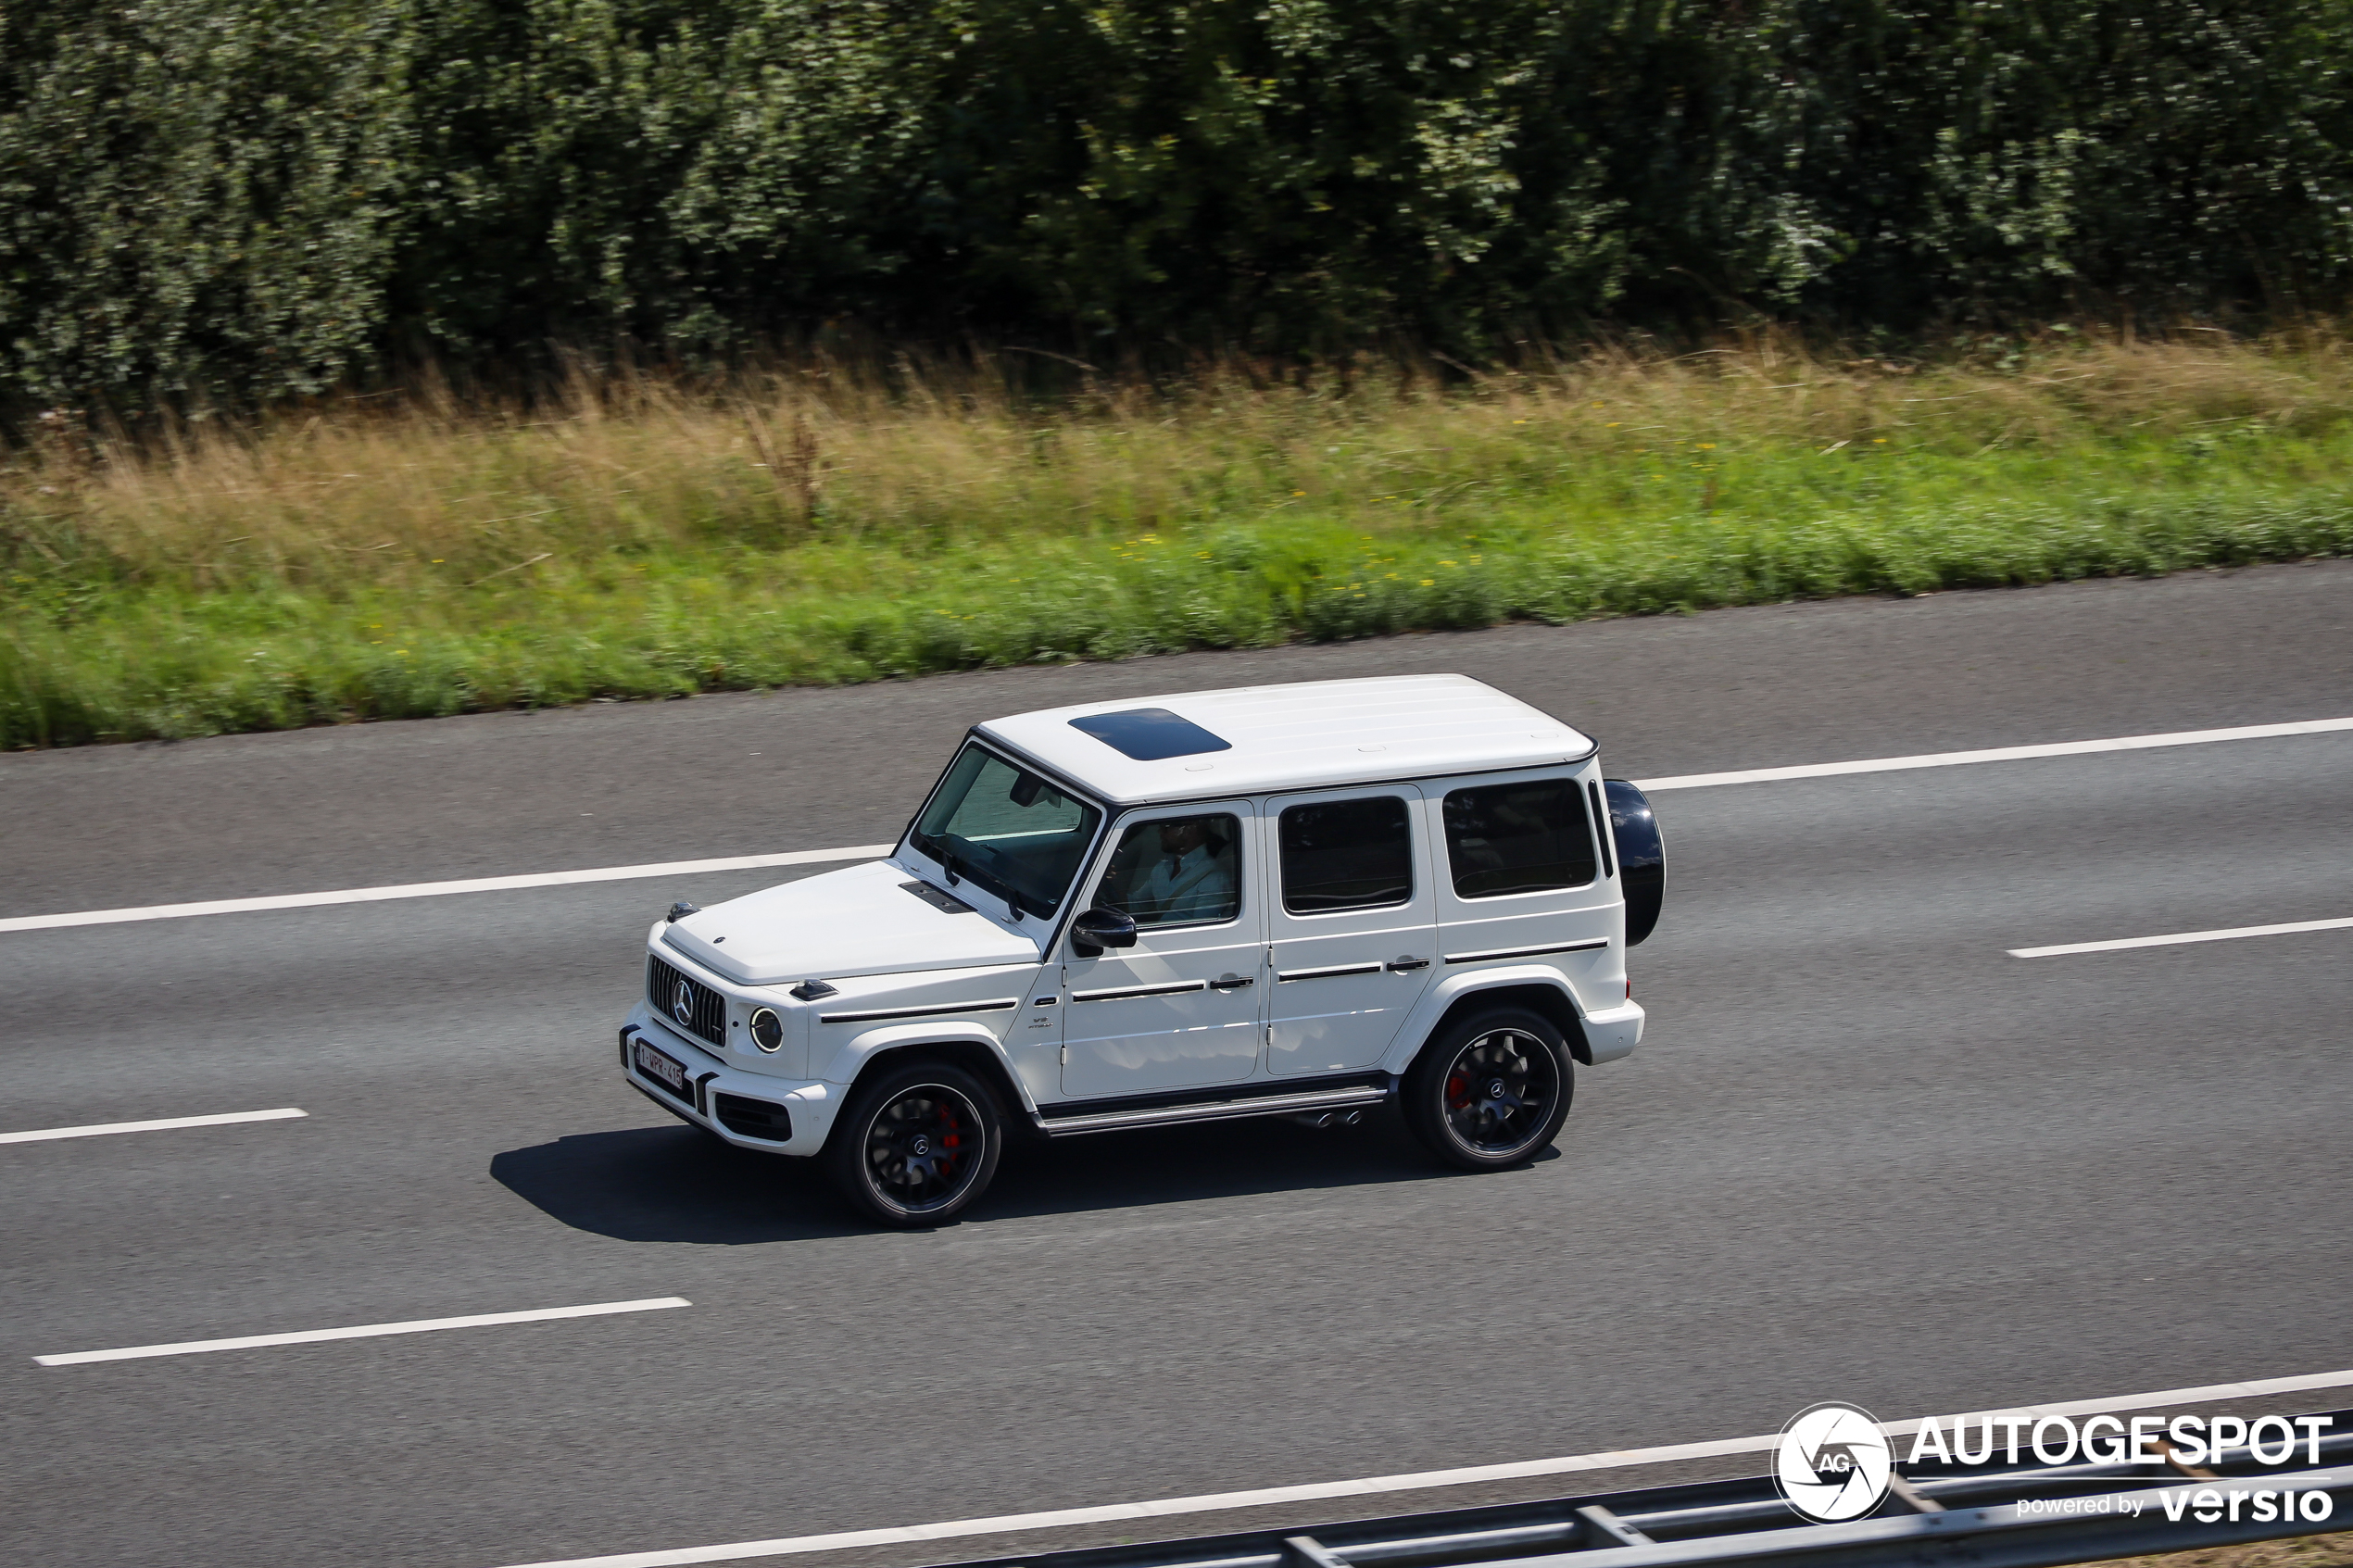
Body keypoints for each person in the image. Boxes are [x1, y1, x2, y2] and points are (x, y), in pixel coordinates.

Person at [1126, 816, 1235, 925]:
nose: (1160, 831)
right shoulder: (1163, 867)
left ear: (1190, 830)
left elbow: (1201, 930)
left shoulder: (1213, 877)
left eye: (1166, 827)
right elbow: (1137, 905)